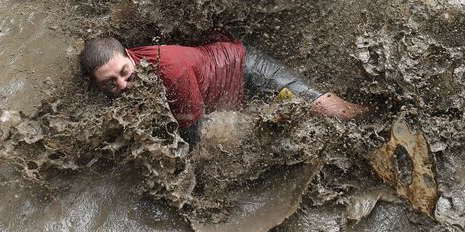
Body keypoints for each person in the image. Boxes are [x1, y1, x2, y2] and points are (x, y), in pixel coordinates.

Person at [79, 31, 369, 144]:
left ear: (130, 56)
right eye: (110, 83)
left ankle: (374, 117)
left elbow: (191, 136)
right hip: (223, 83)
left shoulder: (170, 71)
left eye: (125, 73)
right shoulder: (127, 65)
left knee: (330, 111)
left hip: (247, 70)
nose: (123, 85)